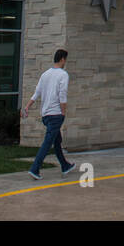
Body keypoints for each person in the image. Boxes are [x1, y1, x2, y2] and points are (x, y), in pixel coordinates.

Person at [22, 49, 76, 180]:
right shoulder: (63, 75)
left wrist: (27, 106)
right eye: (65, 60)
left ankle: (65, 165)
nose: (65, 62)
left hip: (45, 114)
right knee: (48, 142)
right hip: (56, 114)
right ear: (62, 59)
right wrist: (63, 111)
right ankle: (35, 169)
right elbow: (62, 94)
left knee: (57, 141)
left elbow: (37, 92)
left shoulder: (45, 74)